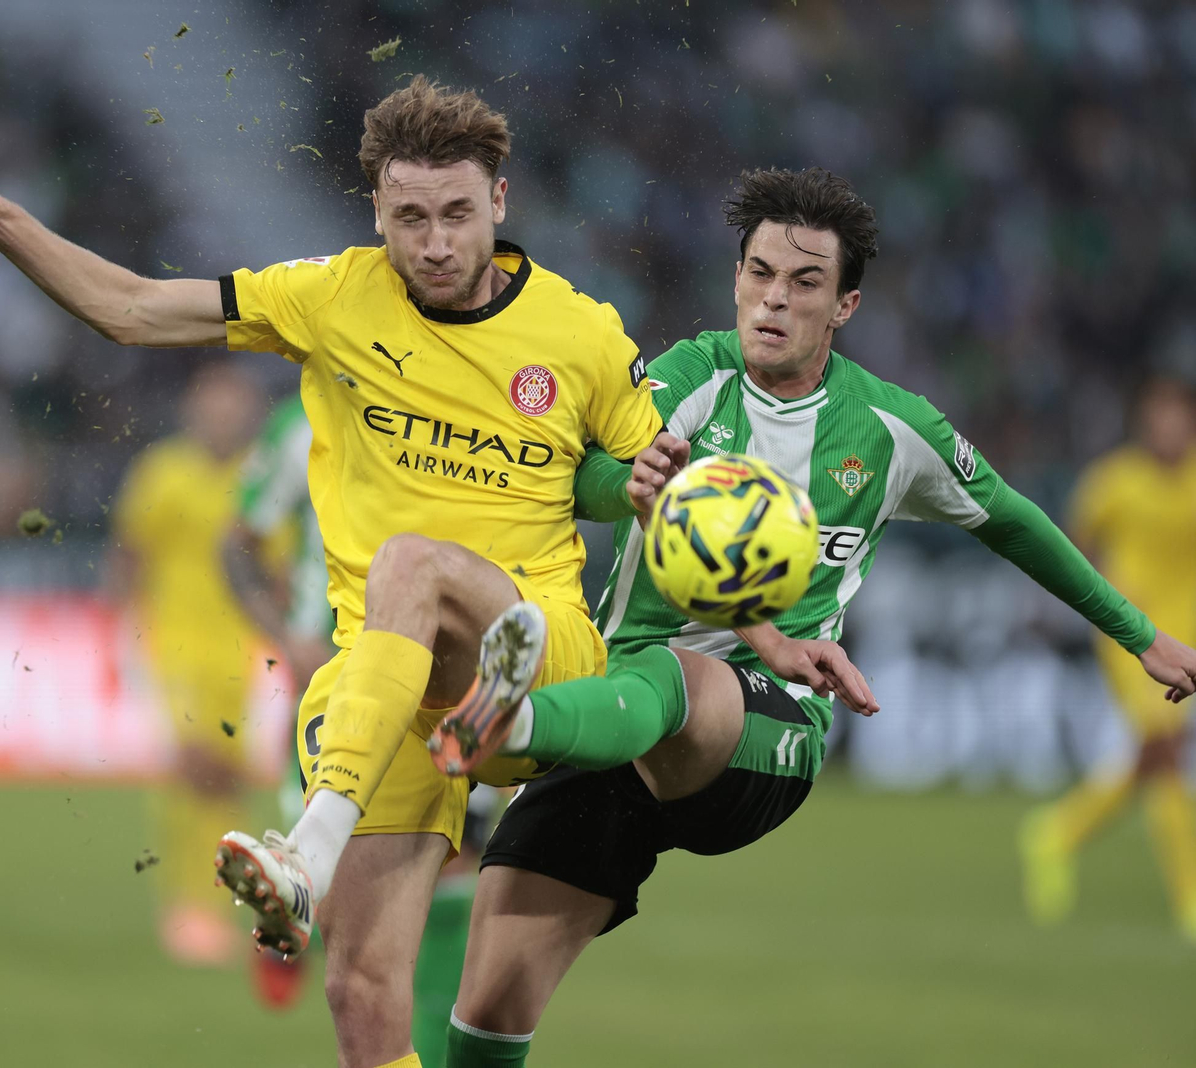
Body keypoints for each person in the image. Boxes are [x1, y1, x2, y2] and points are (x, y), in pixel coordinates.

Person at [0, 74, 665, 1068]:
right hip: (392, 688)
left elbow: (658, 488)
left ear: (498, 199)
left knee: (414, 562)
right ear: (376, 212)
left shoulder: (581, 334)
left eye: (454, 214)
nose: (434, 243)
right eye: (408, 218)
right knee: (362, 1000)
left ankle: (304, 850)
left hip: (533, 646)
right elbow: (134, 308)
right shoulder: (330, 298)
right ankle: (336, 836)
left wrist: (710, 577)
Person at [427, 168, 1196, 1067]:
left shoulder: (888, 429)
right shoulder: (686, 380)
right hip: (613, 725)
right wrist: (627, 483)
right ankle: (523, 727)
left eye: (804, 284)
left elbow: (1015, 522)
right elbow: (585, 479)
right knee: (485, 1018)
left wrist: (1141, 636)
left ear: (846, 305)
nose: (773, 300)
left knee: (684, 680)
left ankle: (508, 719)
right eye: (758, 273)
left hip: (768, 724)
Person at [222, 392, 498, 1063]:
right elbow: (236, 545)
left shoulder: (474, 390)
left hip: (455, 679)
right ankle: (300, 916)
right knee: (351, 900)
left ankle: (421, 1045)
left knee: (457, 868)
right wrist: (284, 633)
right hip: (342, 686)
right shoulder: (302, 421)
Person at [1021, 377, 1196, 940]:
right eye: (1160, 415)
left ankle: (1058, 831)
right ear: (1145, 422)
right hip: (1134, 639)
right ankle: (1190, 902)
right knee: (1165, 751)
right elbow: (1075, 546)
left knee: (1158, 759)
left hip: (1187, 633)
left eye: (1179, 416)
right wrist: (1106, 601)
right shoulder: (1114, 481)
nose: (1170, 427)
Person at [109, 361, 264, 966]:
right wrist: (117, 625)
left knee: (226, 774)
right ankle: (186, 907)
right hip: (171, 643)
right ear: (194, 408)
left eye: (235, 403)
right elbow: (129, 553)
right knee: (191, 770)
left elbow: (274, 564)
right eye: (214, 402)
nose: (224, 414)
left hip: (241, 649)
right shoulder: (162, 472)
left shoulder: (259, 478)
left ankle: (218, 901)